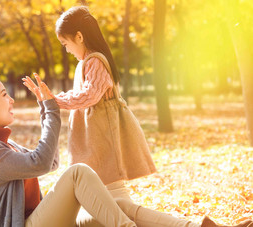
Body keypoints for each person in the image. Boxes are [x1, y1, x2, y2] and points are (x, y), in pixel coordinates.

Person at [30, 5, 252, 227]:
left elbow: (89, 95)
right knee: (121, 210)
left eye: (66, 44)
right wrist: (50, 99)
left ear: (79, 36)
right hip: (95, 151)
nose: (67, 49)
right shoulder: (84, 64)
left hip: (103, 148)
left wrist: (53, 101)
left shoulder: (95, 61)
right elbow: (81, 95)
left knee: (121, 210)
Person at [0, 74, 137, 227]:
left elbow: (50, 161)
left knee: (120, 206)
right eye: (4, 95)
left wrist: (46, 108)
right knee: (77, 173)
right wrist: (50, 109)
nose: (11, 100)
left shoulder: (3, 145)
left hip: (41, 220)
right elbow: (41, 162)